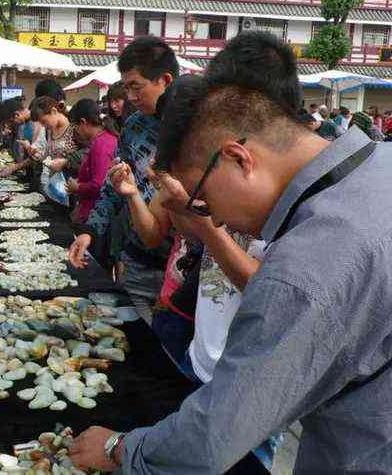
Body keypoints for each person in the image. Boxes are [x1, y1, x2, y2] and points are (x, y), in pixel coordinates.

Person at [70, 35, 392, 474]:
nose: (211, 218)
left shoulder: (307, 266)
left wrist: (121, 450)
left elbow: (216, 434)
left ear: (238, 159)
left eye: (201, 200)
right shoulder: (380, 164)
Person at [68, 36, 179, 323]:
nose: (130, 97)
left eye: (136, 87)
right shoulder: (134, 125)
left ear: (165, 80)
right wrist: (90, 231)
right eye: (126, 86)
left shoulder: (191, 129)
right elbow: (112, 184)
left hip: (181, 269)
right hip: (136, 259)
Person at [66, 99, 118, 224]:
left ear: (83, 122)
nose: (76, 132)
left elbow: (99, 184)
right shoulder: (102, 140)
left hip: (94, 214)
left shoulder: (101, 144)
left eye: (75, 127)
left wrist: (77, 187)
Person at [0, 97, 47, 178]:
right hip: (26, 169)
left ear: (16, 115)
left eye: (10, 122)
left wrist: (15, 167)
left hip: (37, 173)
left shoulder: (37, 124)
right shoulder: (22, 123)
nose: (11, 125)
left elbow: (37, 156)